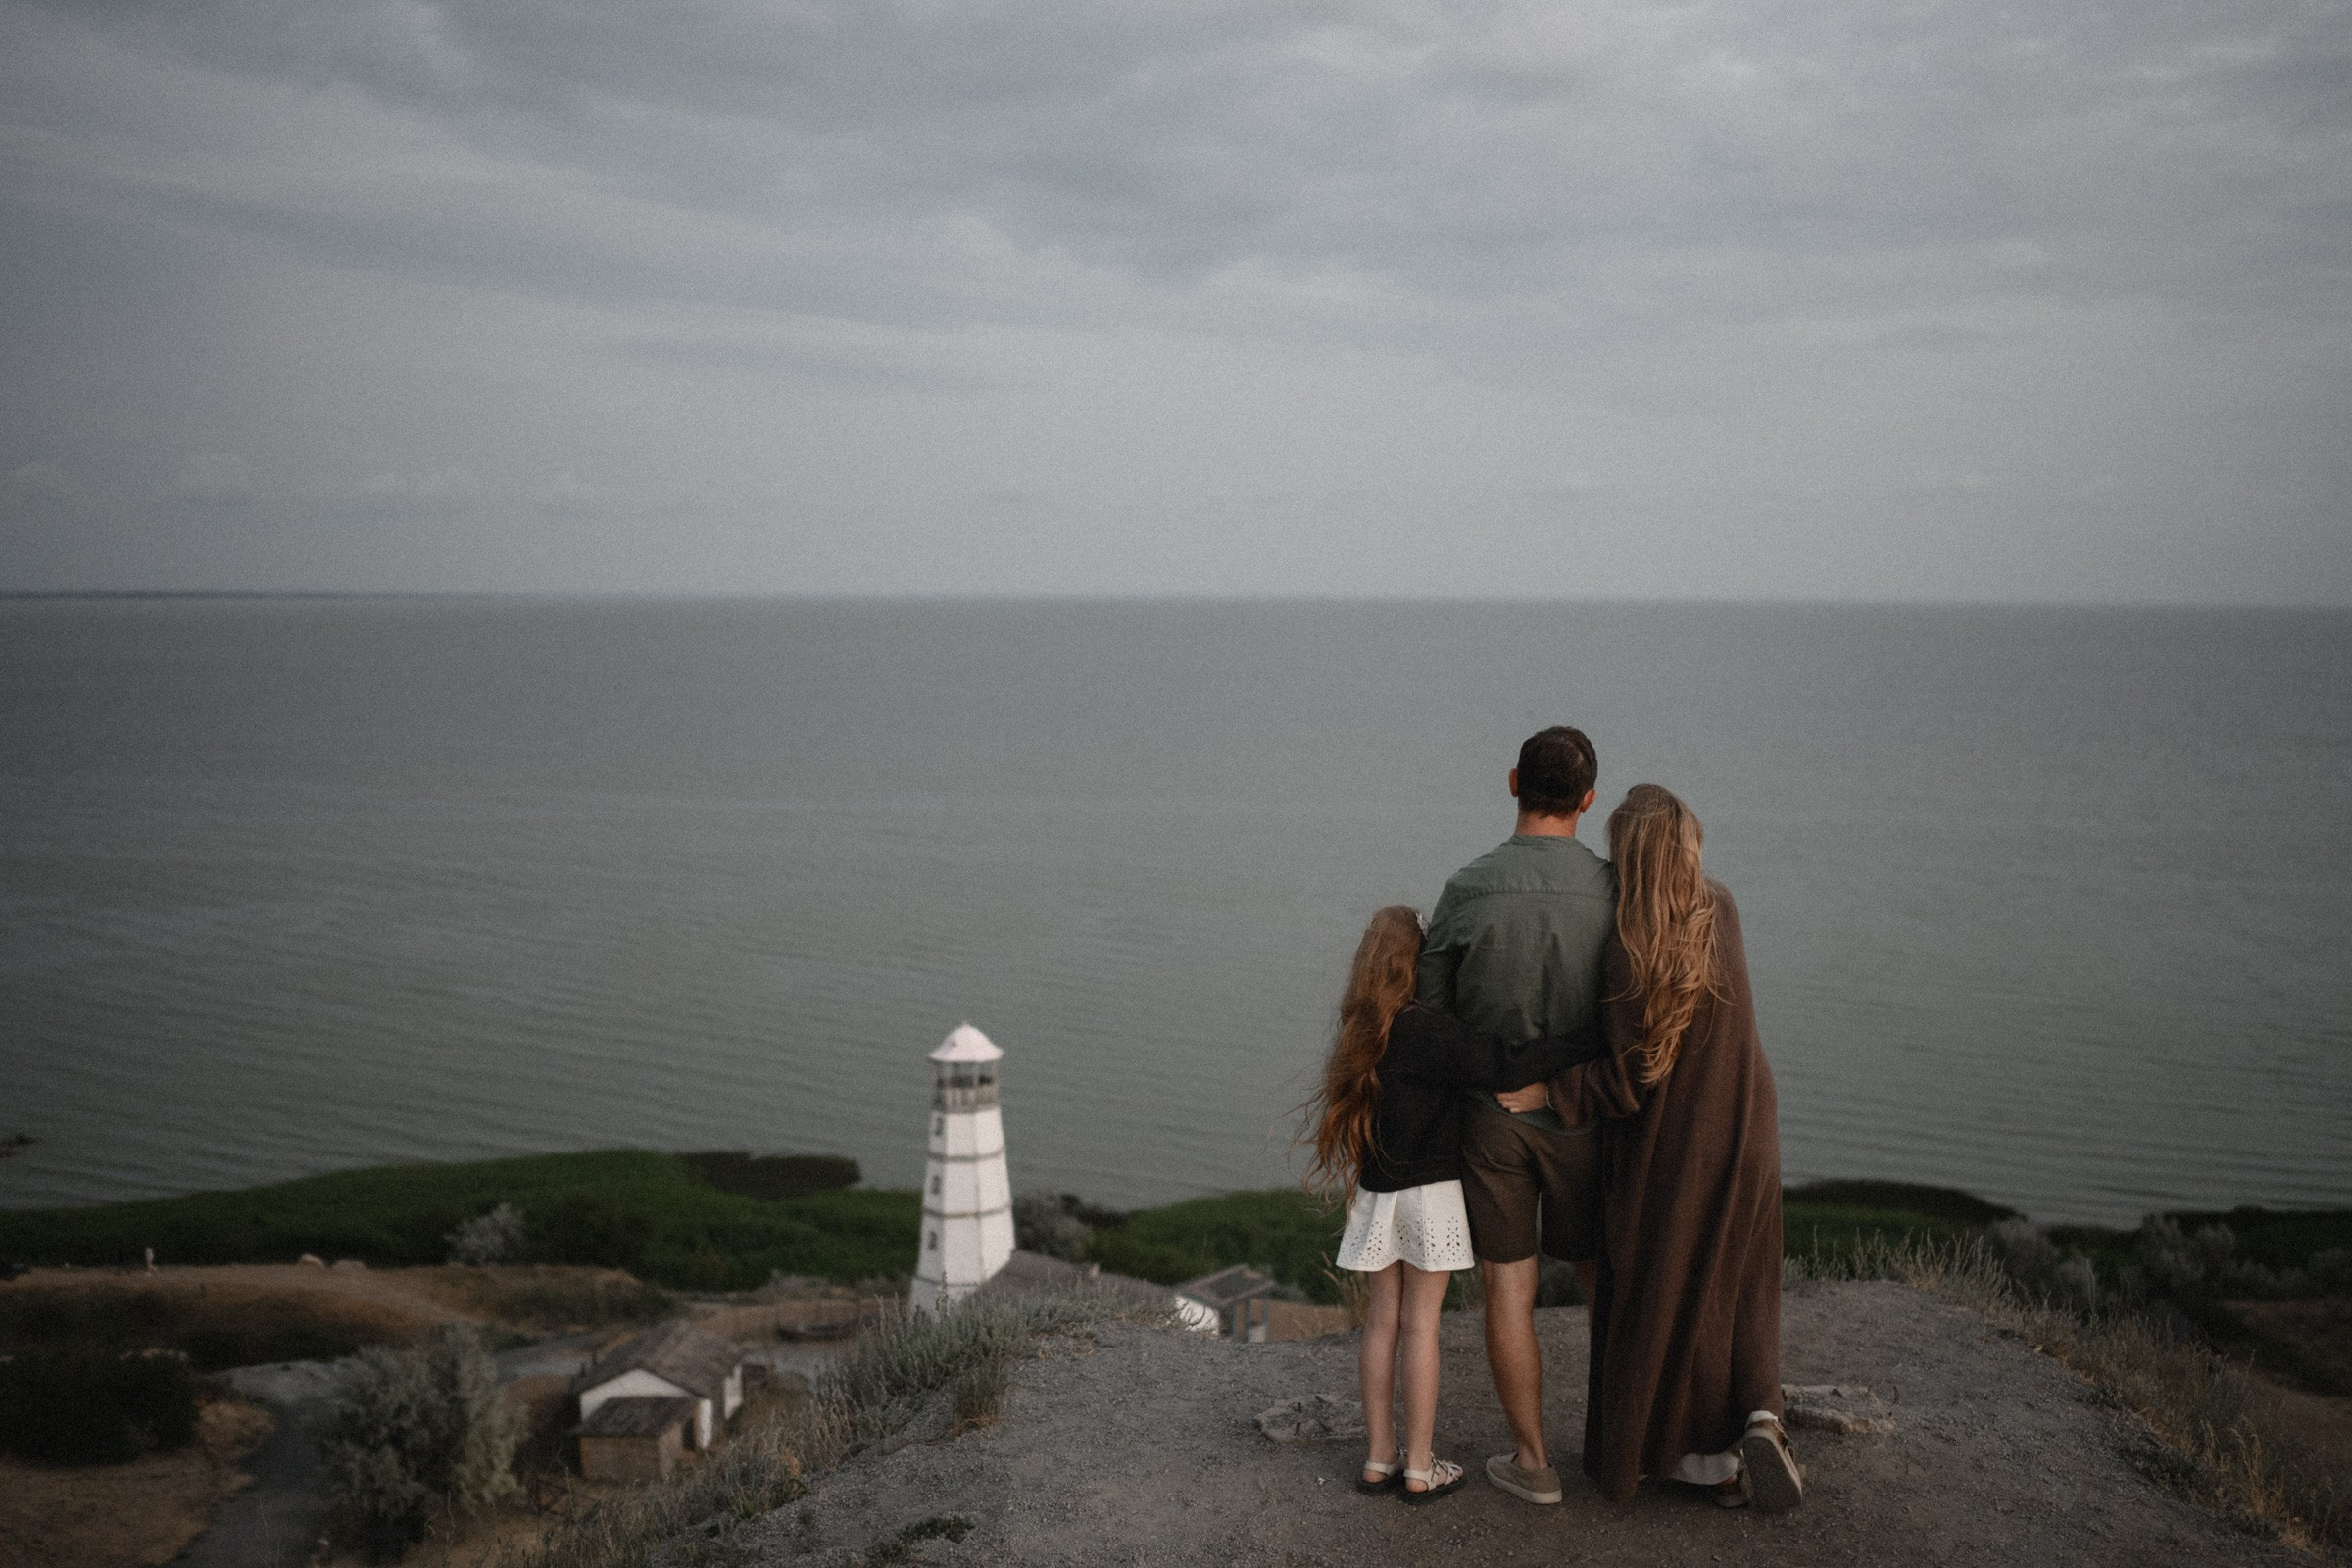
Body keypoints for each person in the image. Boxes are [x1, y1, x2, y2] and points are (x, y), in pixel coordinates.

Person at [1542, 784, 1802, 1511]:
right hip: (1750, 1128)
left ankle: (1704, 1464)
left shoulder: (1627, 949)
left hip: (1675, 1147)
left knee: (1670, 1295)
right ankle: (1760, 1415)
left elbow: (1628, 1083)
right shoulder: (1722, 910)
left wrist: (1552, 1089)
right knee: (1743, 1283)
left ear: (1627, 853)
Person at [1304, 905, 1604, 1505]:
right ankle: (1420, 1466)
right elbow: (1506, 1063)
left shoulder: (1361, 1035)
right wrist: (1588, 1039)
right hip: (1431, 1196)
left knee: (1381, 1323)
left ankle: (1379, 1458)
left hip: (1378, 1195)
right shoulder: (1428, 1031)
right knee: (1422, 1324)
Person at [1416, 725, 1616, 1506]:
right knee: (1604, 1281)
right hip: (1588, 1119)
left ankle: (1533, 1464)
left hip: (1492, 1121)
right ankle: (1619, 1444)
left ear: (1512, 783)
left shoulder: (1467, 887)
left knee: (1508, 1285)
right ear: (1588, 800)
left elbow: (1431, 1017)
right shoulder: (1615, 890)